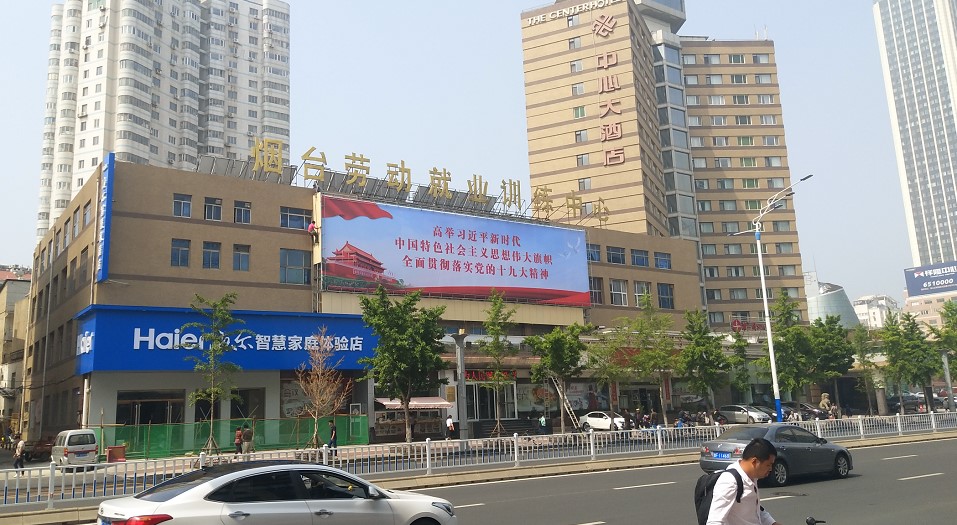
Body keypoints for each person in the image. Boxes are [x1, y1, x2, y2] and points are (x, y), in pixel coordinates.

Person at [706, 437, 782, 525]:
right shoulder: (730, 481)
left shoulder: (752, 477)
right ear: (755, 462)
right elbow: (714, 521)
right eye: (768, 465)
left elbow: (755, 510)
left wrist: (772, 523)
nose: (770, 469)